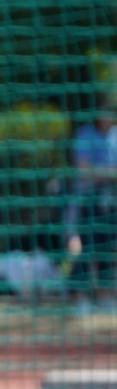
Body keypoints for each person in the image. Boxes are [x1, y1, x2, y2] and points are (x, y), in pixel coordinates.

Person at [66, 105, 117, 313]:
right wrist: (108, 173)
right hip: (87, 201)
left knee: (108, 249)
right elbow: (84, 170)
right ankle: (79, 296)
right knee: (85, 249)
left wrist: (103, 173)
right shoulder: (85, 134)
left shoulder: (114, 136)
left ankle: (105, 296)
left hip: (110, 201)